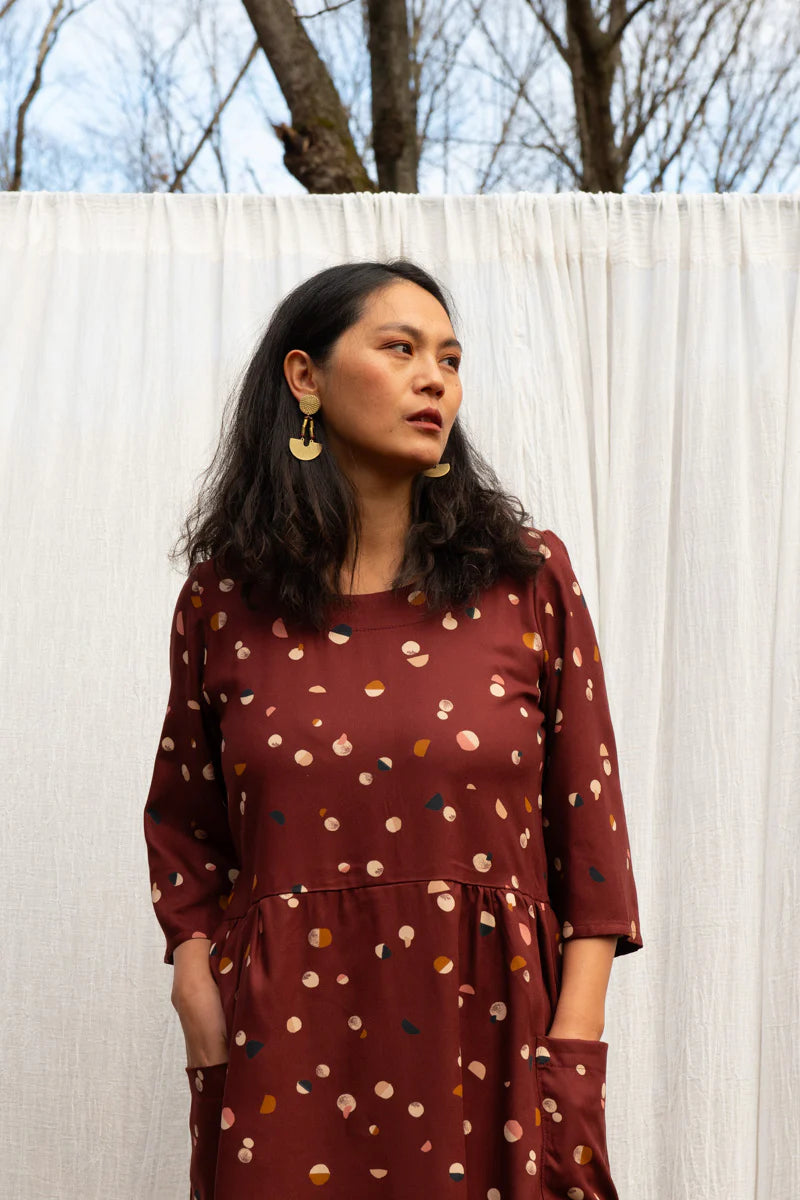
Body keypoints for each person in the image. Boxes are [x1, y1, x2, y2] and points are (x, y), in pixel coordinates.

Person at [143, 259, 643, 1200]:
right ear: (306, 379)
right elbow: (186, 830)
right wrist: (195, 987)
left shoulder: (526, 579)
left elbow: (594, 845)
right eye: (401, 349)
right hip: (282, 1059)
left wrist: (570, 1052)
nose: (435, 380)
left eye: (450, 359)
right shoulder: (222, 602)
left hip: (496, 1048)